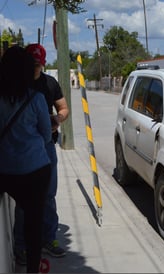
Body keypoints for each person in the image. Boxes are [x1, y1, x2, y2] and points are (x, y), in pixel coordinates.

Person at [14, 43, 69, 264]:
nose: (34, 68)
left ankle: (48, 239)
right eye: (31, 63)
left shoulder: (49, 83)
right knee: (23, 199)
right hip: (21, 147)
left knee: (48, 195)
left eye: (38, 64)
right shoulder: (14, 84)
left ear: (43, 63)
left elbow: (63, 108)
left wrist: (57, 119)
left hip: (46, 146)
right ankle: (22, 245)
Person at [0, 45, 51, 273]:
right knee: (34, 224)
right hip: (34, 171)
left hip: (5, 171)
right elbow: (47, 135)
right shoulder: (37, 99)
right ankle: (33, 268)